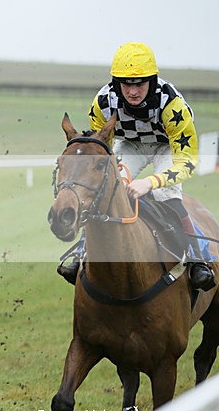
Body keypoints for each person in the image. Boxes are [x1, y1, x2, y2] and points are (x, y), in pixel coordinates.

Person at [58, 42, 215, 291]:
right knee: (104, 190)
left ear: (151, 81)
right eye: (126, 84)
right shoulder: (102, 103)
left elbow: (187, 162)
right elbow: (101, 151)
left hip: (167, 146)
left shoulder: (172, 105)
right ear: (116, 83)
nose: (132, 92)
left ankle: (198, 260)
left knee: (166, 194)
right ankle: (81, 252)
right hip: (131, 144)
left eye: (140, 84)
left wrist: (150, 182)